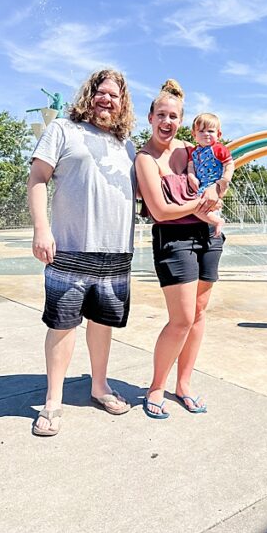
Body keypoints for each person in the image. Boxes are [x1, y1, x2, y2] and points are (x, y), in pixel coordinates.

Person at [27, 68, 138, 436]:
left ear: (123, 104)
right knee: (62, 325)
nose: (107, 99)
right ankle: (54, 400)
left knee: (103, 323)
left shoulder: (128, 146)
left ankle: (99, 386)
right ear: (89, 95)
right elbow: (38, 179)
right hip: (72, 246)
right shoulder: (62, 130)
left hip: (116, 252)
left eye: (114, 95)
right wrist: (42, 229)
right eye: (100, 92)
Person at [134, 79, 224, 419]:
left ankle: (183, 384)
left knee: (199, 315)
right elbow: (159, 211)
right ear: (150, 117)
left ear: (180, 120)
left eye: (173, 116)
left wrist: (213, 190)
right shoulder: (145, 159)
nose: (167, 122)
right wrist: (200, 206)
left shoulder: (190, 150)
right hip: (173, 240)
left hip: (208, 237)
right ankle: (156, 385)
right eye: (161, 115)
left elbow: (217, 177)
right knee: (182, 318)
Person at [186, 112, 234, 237]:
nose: (206, 134)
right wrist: (191, 176)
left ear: (219, 134)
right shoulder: (194, 151)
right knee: (195, 206)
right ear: (194, 134)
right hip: (201, 186)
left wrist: (225, 180)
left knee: (198, 206)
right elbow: (190, 166)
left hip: (214, 184)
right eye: (201, 131)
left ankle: (217, 222)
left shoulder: (218, 148)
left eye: (211, 131)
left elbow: (229, 164)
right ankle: (211, 225)